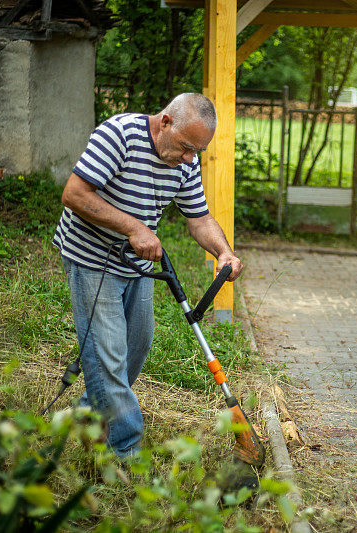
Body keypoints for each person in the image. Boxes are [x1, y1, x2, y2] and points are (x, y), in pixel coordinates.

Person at [53, 93, 242, 458]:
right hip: (92, 259)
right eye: (187, 148)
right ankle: (125, 454)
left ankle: (86, 418)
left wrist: (224, 251)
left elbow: (199, 217)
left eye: (197, 151)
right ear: (165, 122)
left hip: (135, 268)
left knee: (134, 349)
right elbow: (74, 193)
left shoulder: (186, 159)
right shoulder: (119, 135)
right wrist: (134, 228)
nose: (190, 159)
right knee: (108, 358)